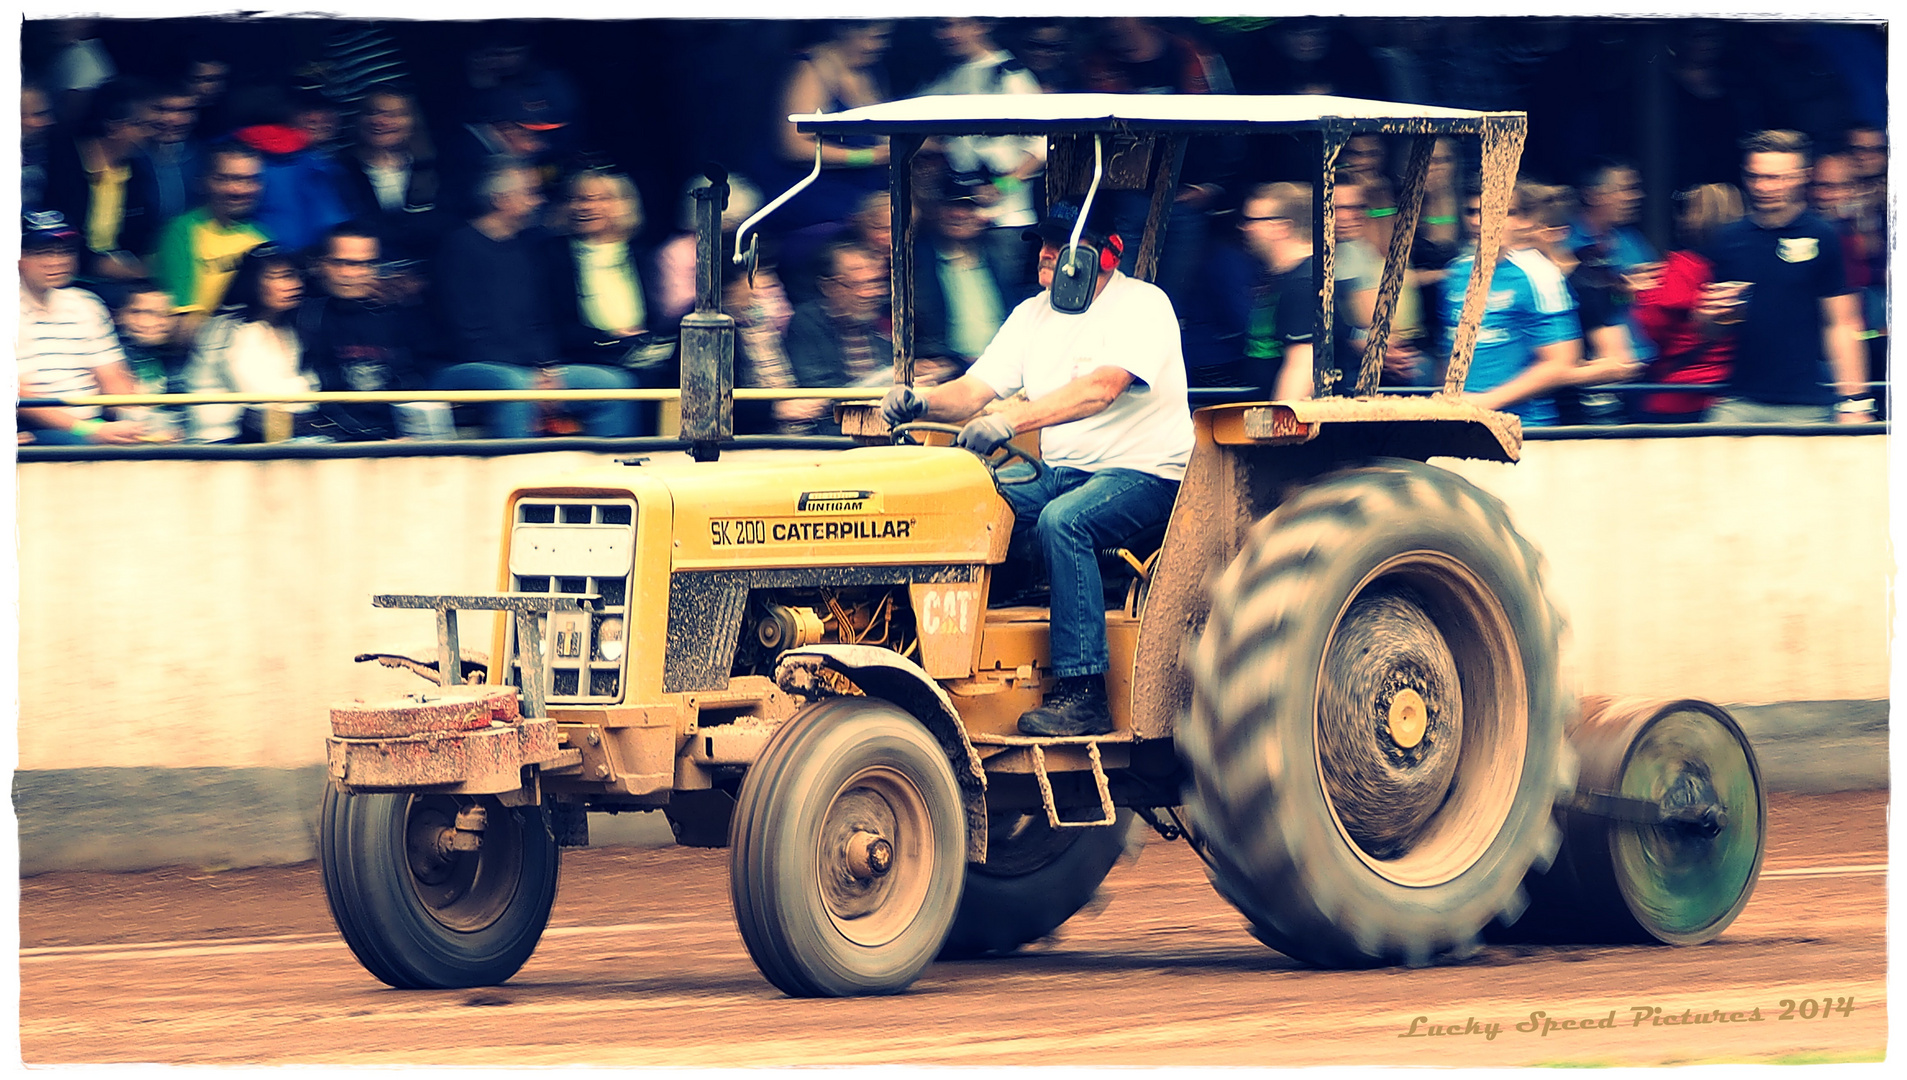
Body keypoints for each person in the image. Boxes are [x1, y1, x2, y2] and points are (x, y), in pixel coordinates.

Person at [880, 199, 1192, 737]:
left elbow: (1101, 388)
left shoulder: (1145, 306)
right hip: (1065, 473)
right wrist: (920, 401)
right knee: (974, 502)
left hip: (1147, 475)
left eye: (1059, 246)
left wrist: (1013, 420)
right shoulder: (1033, 314)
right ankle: (948, 658)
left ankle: (1083, 693)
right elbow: (975, 390)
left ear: (1103, 255)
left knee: (1063, 521)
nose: (1046, 256)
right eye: (1043, 246)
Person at [432, 163, 637, 439]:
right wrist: (533, 376)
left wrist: (546, 367)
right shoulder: (458, 247)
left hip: (530, 370)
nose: (538, 201)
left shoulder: (528, 249)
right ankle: (517, 471)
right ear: (500, 199)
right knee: (516, 386)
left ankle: (609, 473)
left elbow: (541, 322)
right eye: (530, 193)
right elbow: (464, 332)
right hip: (463, 367)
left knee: (617, 384)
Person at [1703, 130, 1871, 424]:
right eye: (1755, 176)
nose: (1763, 186)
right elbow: (1711, 331)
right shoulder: (1730, 238)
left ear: (1803, 176)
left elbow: (1842, 324)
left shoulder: (1825, 235)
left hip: (1807, 403)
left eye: (1776, 177)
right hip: (1740, 399)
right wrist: (1711, 315)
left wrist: (1855, 402)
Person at [1436, 180, 1633, 425]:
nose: (1478, 220)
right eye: (1472, 211)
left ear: (1521, 221)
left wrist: (1487, 401)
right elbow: (1447, 351)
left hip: (1524, 425)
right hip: (1457, 420)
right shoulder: (1455, 273)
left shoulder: (1540, 275)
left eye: (1493, 211)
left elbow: (1562, 362)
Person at [917, 17, 1046, 297]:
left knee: (1005, 309)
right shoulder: (952, 76)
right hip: (958, 222)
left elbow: (1043, 147)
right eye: (943, 26)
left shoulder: (1011, 75)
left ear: (982, 24)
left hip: (1005, 222)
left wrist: (1003, 186)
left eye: (958, 24)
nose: (950, 33)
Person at [16, 210, 150, 446]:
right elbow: (19, 395)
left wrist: (139, 424)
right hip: (36, 429)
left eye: (65, 251)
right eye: (44, 252)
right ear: (17, 257)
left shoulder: (86, 304)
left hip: (93, 426)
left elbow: (112, 376)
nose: (57, 261)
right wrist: (88, 431)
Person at [548, 168, 667, 434]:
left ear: (623, 205)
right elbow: (554, 325)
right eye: (578, 199)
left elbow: (659, 317)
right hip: (586, 356)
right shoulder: (551, 256)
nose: (586, 207)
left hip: (642, 352)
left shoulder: (642, 255)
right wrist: (610, 336)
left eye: (600, 199)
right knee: (627, 382)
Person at [295, 222, 438, 441]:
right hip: (333, 441)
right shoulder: (305, 317)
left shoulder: (396, 316)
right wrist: (371, 440)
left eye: (365, 264)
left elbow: (411, 380)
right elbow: (321, 396)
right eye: (342, 263)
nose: (351, 274)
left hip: (400, 437)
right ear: (321, 265)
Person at [1631, 183, 1746, 422]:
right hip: (1729, 395)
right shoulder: (1746, 267)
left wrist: (1639, 295)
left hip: (1677, 396)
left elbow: (1652, 326)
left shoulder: (1682, 268)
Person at [183, 243, 318, 443]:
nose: (295, 284)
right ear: (254, 281)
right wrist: (301, 391)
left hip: (271, 436)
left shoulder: (288, 326)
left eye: (297, 276)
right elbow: (260, 395)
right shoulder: (226, 327)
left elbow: (308, 390)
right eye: (282, 276)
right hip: (219, 440)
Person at [40, 76, 159, 283]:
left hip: (120, 277)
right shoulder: (61, 165)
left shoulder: (138, 170)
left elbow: (142, 233)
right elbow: (54, 232)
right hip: (66, 278)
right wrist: (101, 265)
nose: (150, 133)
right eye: (142, 125)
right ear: (113, 127)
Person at [149, 140, 270, 330]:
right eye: (226, 179)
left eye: (249, 180)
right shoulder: (182, 231)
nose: (238, 190)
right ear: (204, 181)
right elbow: (182, 326)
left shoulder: (262, 235)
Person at [784, 241, 895, 436]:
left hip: (885, 424)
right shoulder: (806, 322)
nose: (870, 294)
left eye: (876, 283)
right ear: (828, 286)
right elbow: (820, 395)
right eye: (859, 284)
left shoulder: (882, 317)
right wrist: (890, 378)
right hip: (834, 432)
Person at [331, 84, 446, 263]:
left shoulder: (436, 168)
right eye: (371, 113)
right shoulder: (339, 172)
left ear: (413, 120)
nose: (380, 121)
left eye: (392, 114)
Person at [1236, 182, 1320, 402]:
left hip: (1285, 422)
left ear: (1281, 227)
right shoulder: (1278, 277)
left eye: (1251, 221)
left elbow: (1303, 366)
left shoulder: (1304, 282)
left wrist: (1278, 429)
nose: (1243, 228)